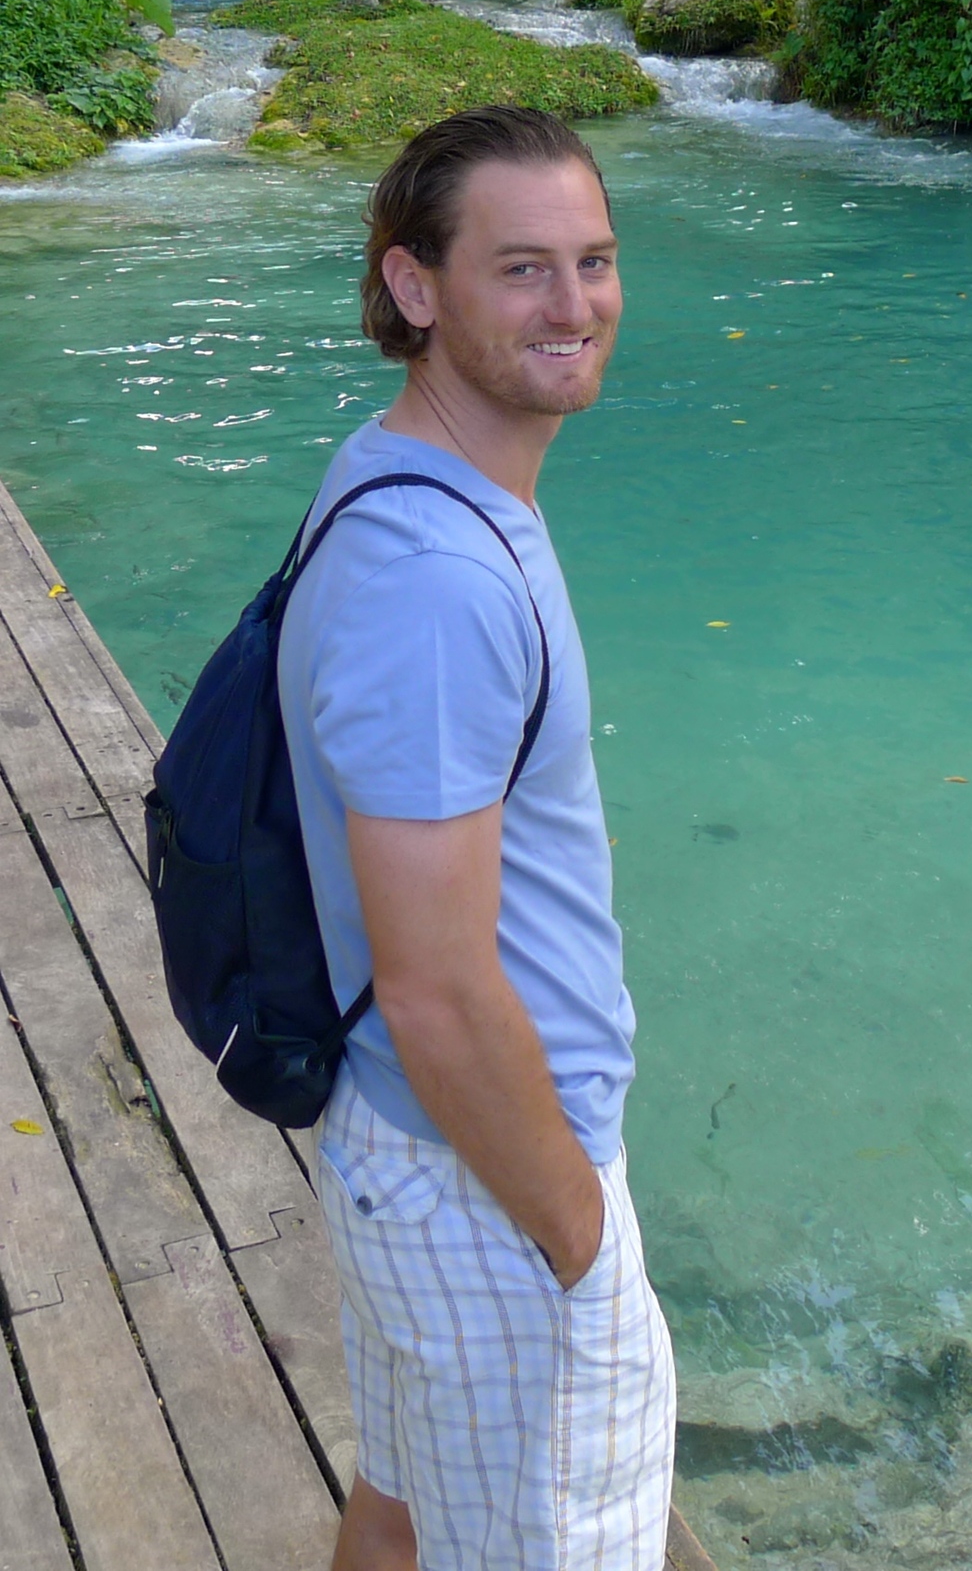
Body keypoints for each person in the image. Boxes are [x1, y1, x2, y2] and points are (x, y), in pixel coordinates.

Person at [276, 107, 673, 1570]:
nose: (575, 304)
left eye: (595, 259)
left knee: (403, 1506)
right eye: (522, 268)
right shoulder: (435, 579)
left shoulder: (406, 476)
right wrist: (578, 1244)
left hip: (417, 1156)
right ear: (416, 287)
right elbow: (439, 990)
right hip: (488, 1181)